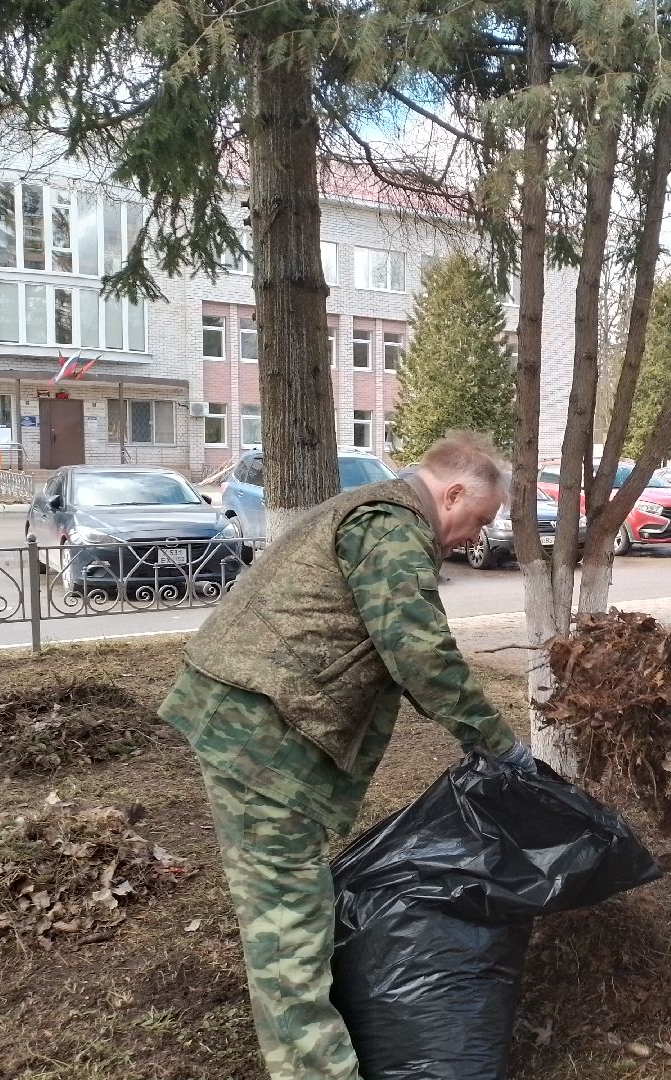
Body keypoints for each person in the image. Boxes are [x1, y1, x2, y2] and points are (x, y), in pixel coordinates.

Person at [158, 431, 534, 1080]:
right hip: (261, 737)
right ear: (451, 494)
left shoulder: (378, 512)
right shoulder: (391, 527)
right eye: (479, 519)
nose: (475, 537)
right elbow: (420, 653)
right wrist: (498, 746)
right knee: (290, 926)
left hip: (258, 721)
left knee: (293, 907)